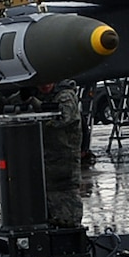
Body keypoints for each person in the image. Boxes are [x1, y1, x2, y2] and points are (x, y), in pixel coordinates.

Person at [39, 81, 89, 227]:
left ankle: (70, 228)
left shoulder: (65, 96)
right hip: (48, 162)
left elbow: (61, 118)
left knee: (67, 200)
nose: (44, 85)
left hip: (64, 161)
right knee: (50, 200)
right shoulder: (44, 96)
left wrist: (35, 106)